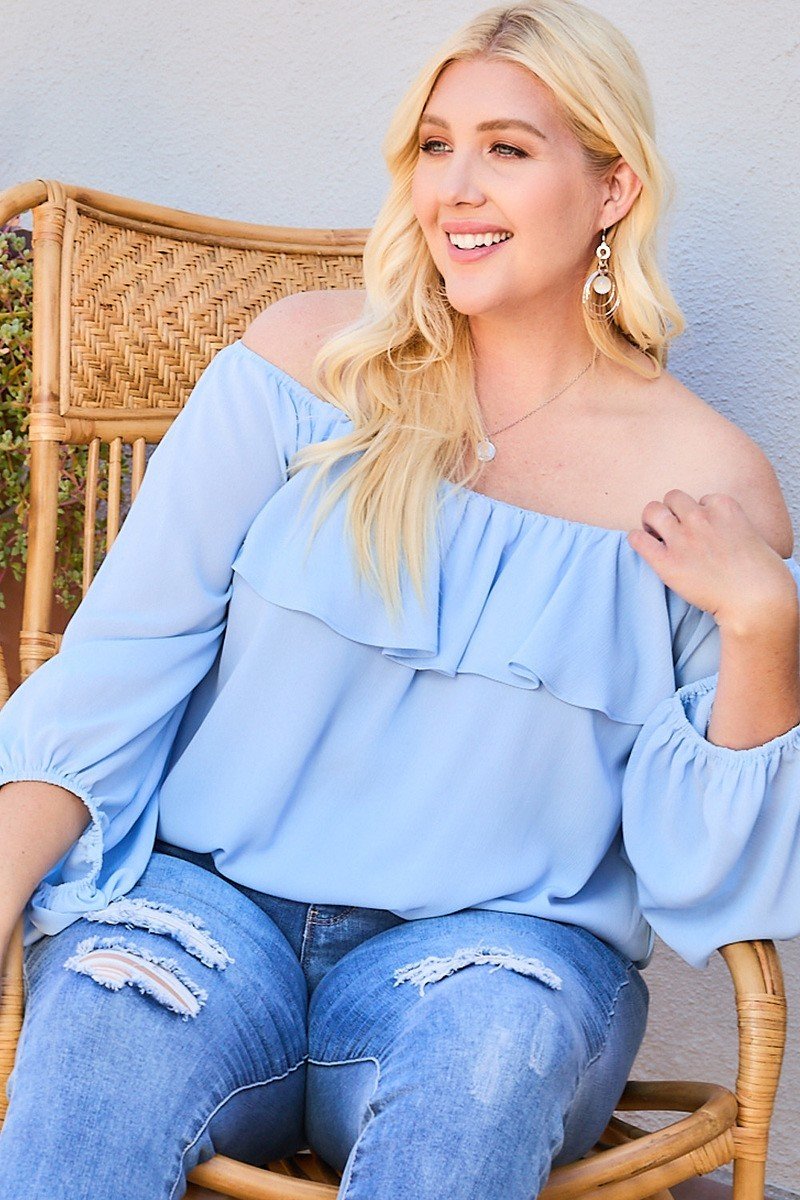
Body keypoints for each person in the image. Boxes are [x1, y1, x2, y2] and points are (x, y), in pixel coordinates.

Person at [1, 2, 799, 1197]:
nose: (455, 188)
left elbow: (704, 878)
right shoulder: (298, 372)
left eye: (506, 149)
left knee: (489, 1056)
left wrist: (763, 625)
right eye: (434, 146)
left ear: (612, 188)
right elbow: (117, 667)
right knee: (101, 1027)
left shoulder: (703, 485)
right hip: (209, 913)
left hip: (496, 958)